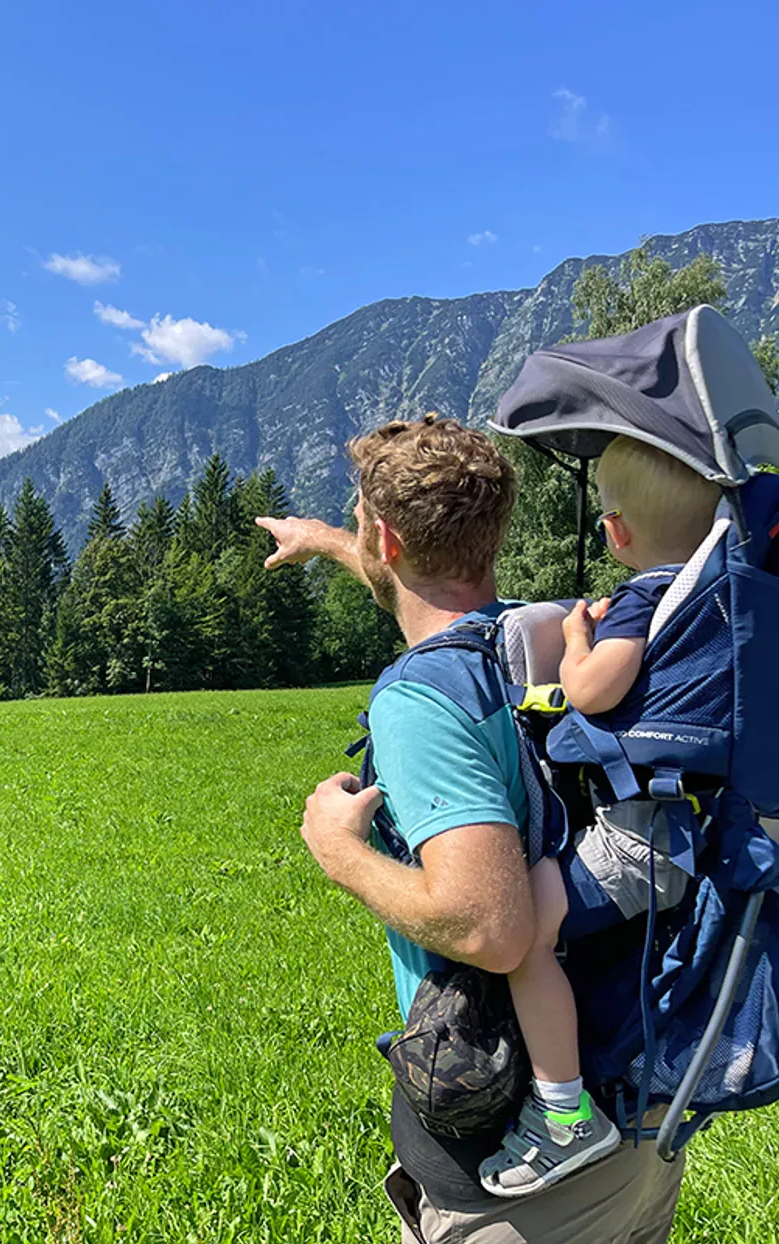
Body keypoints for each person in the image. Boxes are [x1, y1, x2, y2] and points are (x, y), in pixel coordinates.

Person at [257, 415, 685, 1244]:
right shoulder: (542, 634)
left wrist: (340, 853)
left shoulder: (419, 702)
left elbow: (491, 926)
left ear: (387, 536)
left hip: (524, 1171)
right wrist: (324, 540)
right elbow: (432, 599)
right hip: (634, 1093)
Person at [476, 434, 720, 1198]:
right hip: (688, 834)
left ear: (614, 531)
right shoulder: (719, 590)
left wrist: (581, 638)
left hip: (638, 844)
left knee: (523, 933)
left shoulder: (649, 595)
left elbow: (592, 691)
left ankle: (564, 1115)